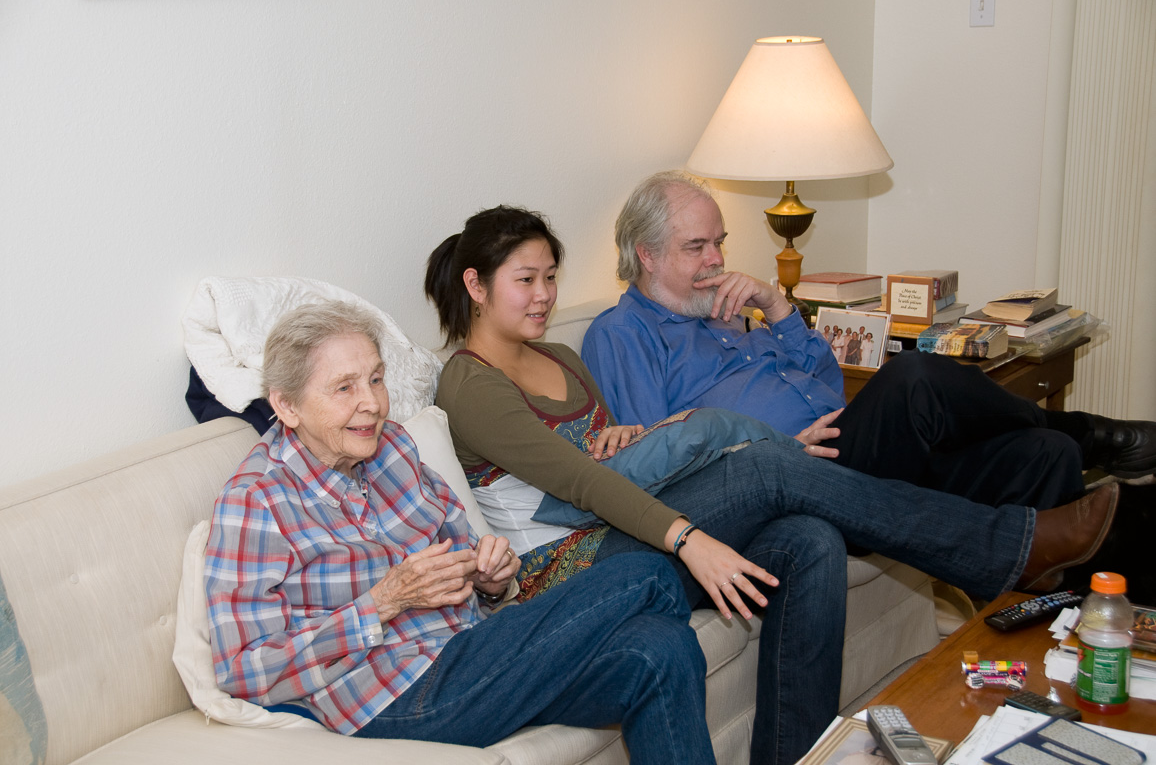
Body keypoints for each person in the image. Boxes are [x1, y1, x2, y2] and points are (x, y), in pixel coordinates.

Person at [424, 205, 1118, 765]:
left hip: (623, 526)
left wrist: (632, 434)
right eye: (525, 280)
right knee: (768, 465)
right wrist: (688, 535)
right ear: (476, 287)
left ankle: (795, 756)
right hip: (568, 572)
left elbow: (609, 453)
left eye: (550, 277)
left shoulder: (558, 356)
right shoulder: (469, 382)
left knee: (810, 539)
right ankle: (1003, 548)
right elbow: (577, 481)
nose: (544, 294)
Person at [203, 301, 717, 764]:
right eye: (344, 387)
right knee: (646, 573)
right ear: (287, 406)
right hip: (389, 696)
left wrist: (493, 577)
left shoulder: (395, 450)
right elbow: (244, 671)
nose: (373, 404)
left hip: (471, 651)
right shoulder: (257, 501)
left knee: (661, 648)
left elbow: (471, 560)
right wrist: (381, 603)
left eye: (376, 380)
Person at [582, 170, 1156, 512]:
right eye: (696, 247)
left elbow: (826, 381)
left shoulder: (727, 307)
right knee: (910, 375)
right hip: (796, 472)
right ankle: (1091, 433)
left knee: (1040, 456)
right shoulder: (621, 333)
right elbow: (656, 467)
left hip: (850, 443)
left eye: (720, 242)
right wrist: (769, 452)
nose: (717, 259)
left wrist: (777, 306)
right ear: (647, 255)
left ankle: (1051, 623)